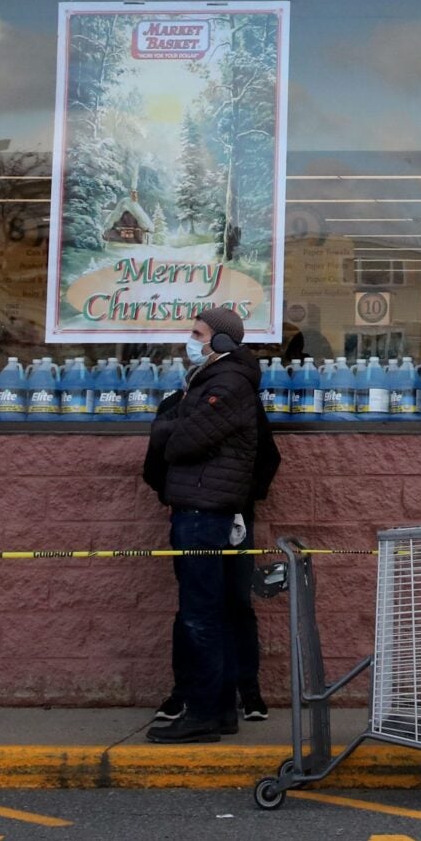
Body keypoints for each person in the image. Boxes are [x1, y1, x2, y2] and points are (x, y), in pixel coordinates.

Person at [143, 306, 268, 742]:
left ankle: (205, 713)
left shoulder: (228, 382)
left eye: (198, 332)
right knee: (205, 611)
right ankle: (213, 710)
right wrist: (173, 428)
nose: (189, 339)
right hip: (198, 505)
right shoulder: (213, 380)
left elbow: (184, 441)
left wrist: (161, 429)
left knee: (202, 616)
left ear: (220, 342)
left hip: (204, 510)